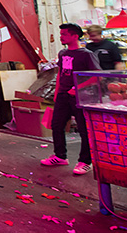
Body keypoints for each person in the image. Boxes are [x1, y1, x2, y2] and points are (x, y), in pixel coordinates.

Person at [41, 23, 100, 175]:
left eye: (64, 34)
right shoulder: (62, 53)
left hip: (81, 96)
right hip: (62, 95)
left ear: (75, 36)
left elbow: (96, 76)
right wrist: (57, 91)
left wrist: (78, 88)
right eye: (61, 34)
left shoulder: (86, 54)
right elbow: (61, 72)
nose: (61, 37)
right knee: (56, 124)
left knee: (83, 128)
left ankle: (85, 161)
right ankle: (60, 156)